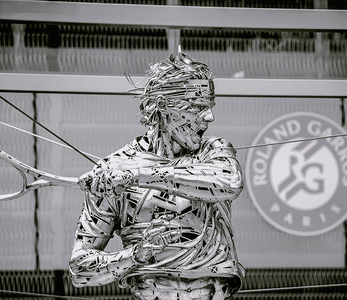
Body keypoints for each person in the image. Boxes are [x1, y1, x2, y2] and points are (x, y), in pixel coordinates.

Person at [69, 51, 244, 299]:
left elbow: (229, 182)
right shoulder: (113, 170)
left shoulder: (212, 151)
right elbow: (80, 269)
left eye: (209, 107)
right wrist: (135, 255)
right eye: (197, 107)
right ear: (163, 106)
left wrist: (135, 176)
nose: (209, 117)